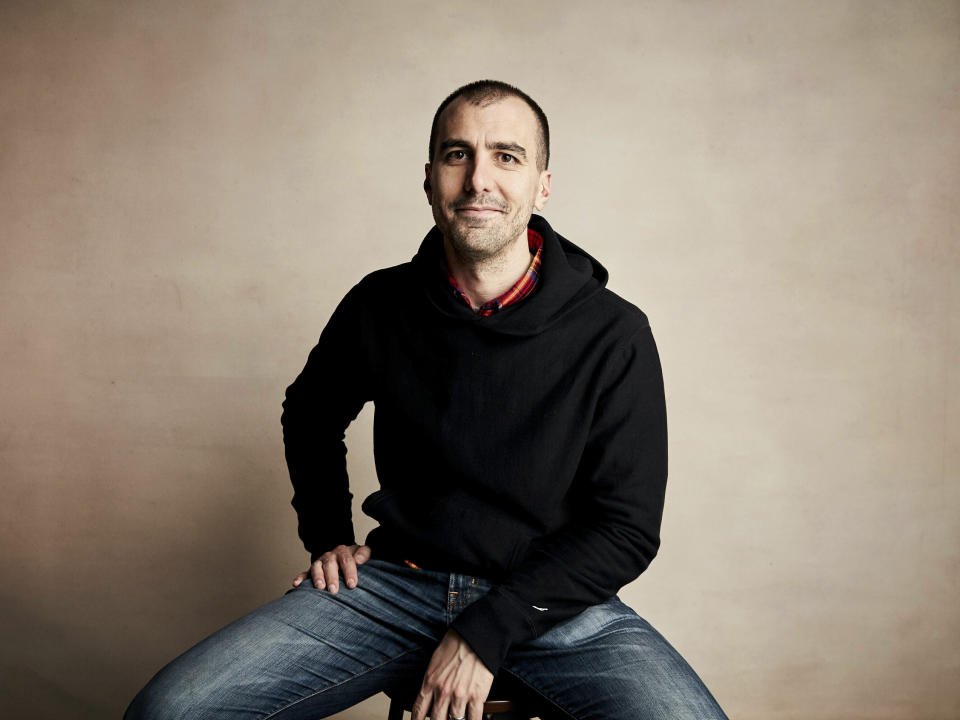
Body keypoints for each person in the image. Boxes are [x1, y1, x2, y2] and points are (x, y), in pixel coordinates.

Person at [125, 80, 727, 720]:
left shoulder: (613, 332)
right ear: (429, 177)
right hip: (395, 585)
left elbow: (626, 528)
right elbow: (311, 412)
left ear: (542, 185)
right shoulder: (379, 305)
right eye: (457, 154)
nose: (478, 181)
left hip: (548, 601)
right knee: (170, 711)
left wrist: (485, 629)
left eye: (507, 157)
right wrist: (328, 535)